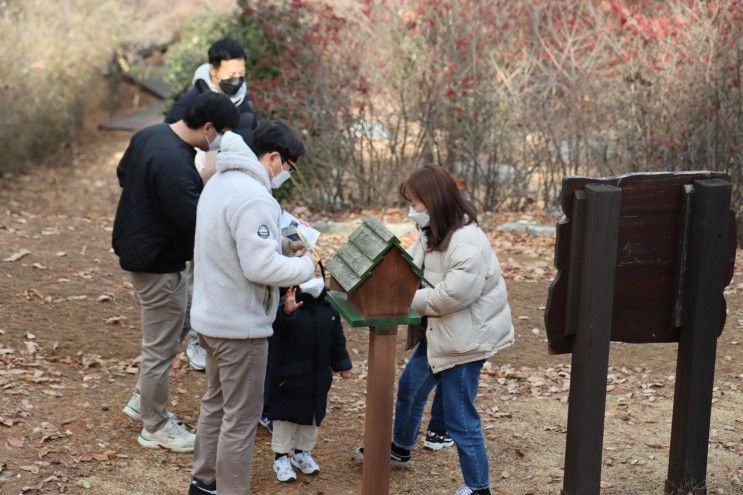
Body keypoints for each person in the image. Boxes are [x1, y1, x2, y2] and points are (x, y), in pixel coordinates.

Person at [355, 165, 514, 495]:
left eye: (415, 203)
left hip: (465, 340)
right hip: (443, 333)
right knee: (411, 385)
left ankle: (478, 487)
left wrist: (403, 297)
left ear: (435, 201)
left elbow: (451, 296)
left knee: (459, 416)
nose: (411, 210)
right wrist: (388, 278)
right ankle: (399, 447)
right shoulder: (432, 231)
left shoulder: (468, 242)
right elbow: (412, 266)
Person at [188, 125, 316, 495]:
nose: (287, 174)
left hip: (211, 318)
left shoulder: (218, 181)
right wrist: (306, 267)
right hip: (240, 327)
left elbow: (233, 244)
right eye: (289, 165)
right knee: (241, 419)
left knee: (215, 403)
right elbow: (259, 268)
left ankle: (204, 480)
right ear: (273, 158)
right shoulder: (256, 198)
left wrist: (280, 244)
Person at [113, 93, 240, 452]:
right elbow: (194, 223)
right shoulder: (175, 165)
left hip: (144, 253)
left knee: (179, 323)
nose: (220, 143)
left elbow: (124, 175)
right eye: (222, 135)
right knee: (159, 348)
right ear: (208, 128)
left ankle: (143, 400)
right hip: (157, 264)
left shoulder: (149, 135)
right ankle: (154, 424)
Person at [164, 37, 259, 372]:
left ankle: (221, 332)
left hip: (238, 193)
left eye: (242, 72)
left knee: (229, 263)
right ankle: (195, 338)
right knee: (200, 266)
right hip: (202, 191)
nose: (237, 78)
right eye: (231, 73)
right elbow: (172, 142)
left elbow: (253, 140)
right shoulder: (192, 101)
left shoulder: (246, 104)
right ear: (215, 71)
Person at [267, 275, 353, 482]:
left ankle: (302, 453)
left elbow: (337, 340)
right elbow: (278, 329)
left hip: (317, 378)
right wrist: (286, 312)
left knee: (312, 418)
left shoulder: (329, 308)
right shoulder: (289, 302)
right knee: (286, 418)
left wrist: (342, 363)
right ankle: (281, 457)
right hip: (288, 378)